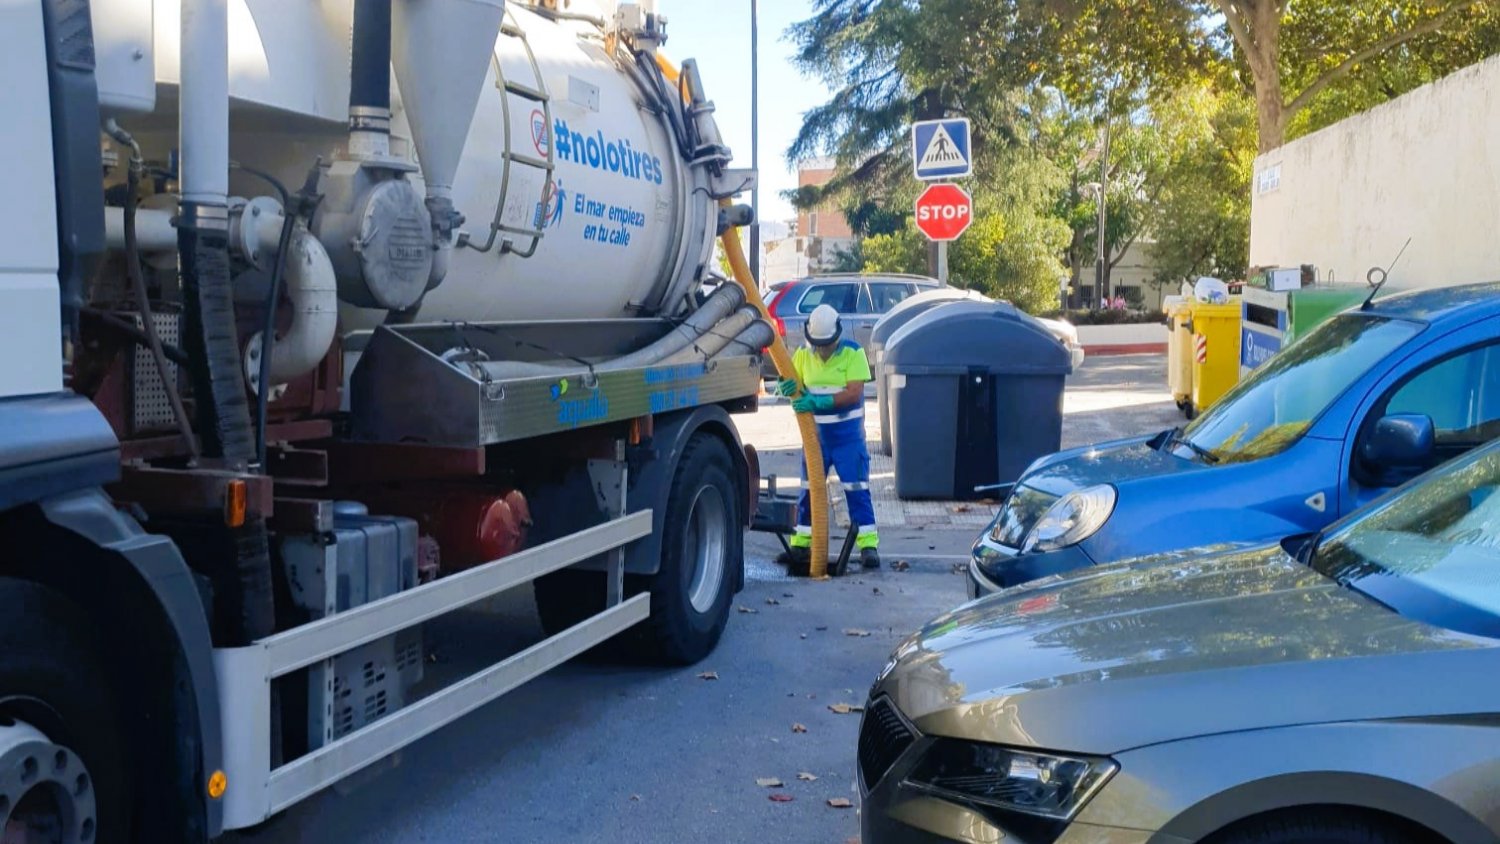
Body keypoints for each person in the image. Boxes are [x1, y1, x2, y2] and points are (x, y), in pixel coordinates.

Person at [774, 304, 879, 570]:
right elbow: (788, 379)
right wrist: (783, 386)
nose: (822, 350)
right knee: (809, 490)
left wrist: (818, 402)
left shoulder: (853, 353)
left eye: (827, 345)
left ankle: (868, 546)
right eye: (818, 345)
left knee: (856, 490)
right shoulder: (803, 355)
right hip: (816, 440)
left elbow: (854, 392)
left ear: (837, 337)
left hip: (848, 440)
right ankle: (801, 543)